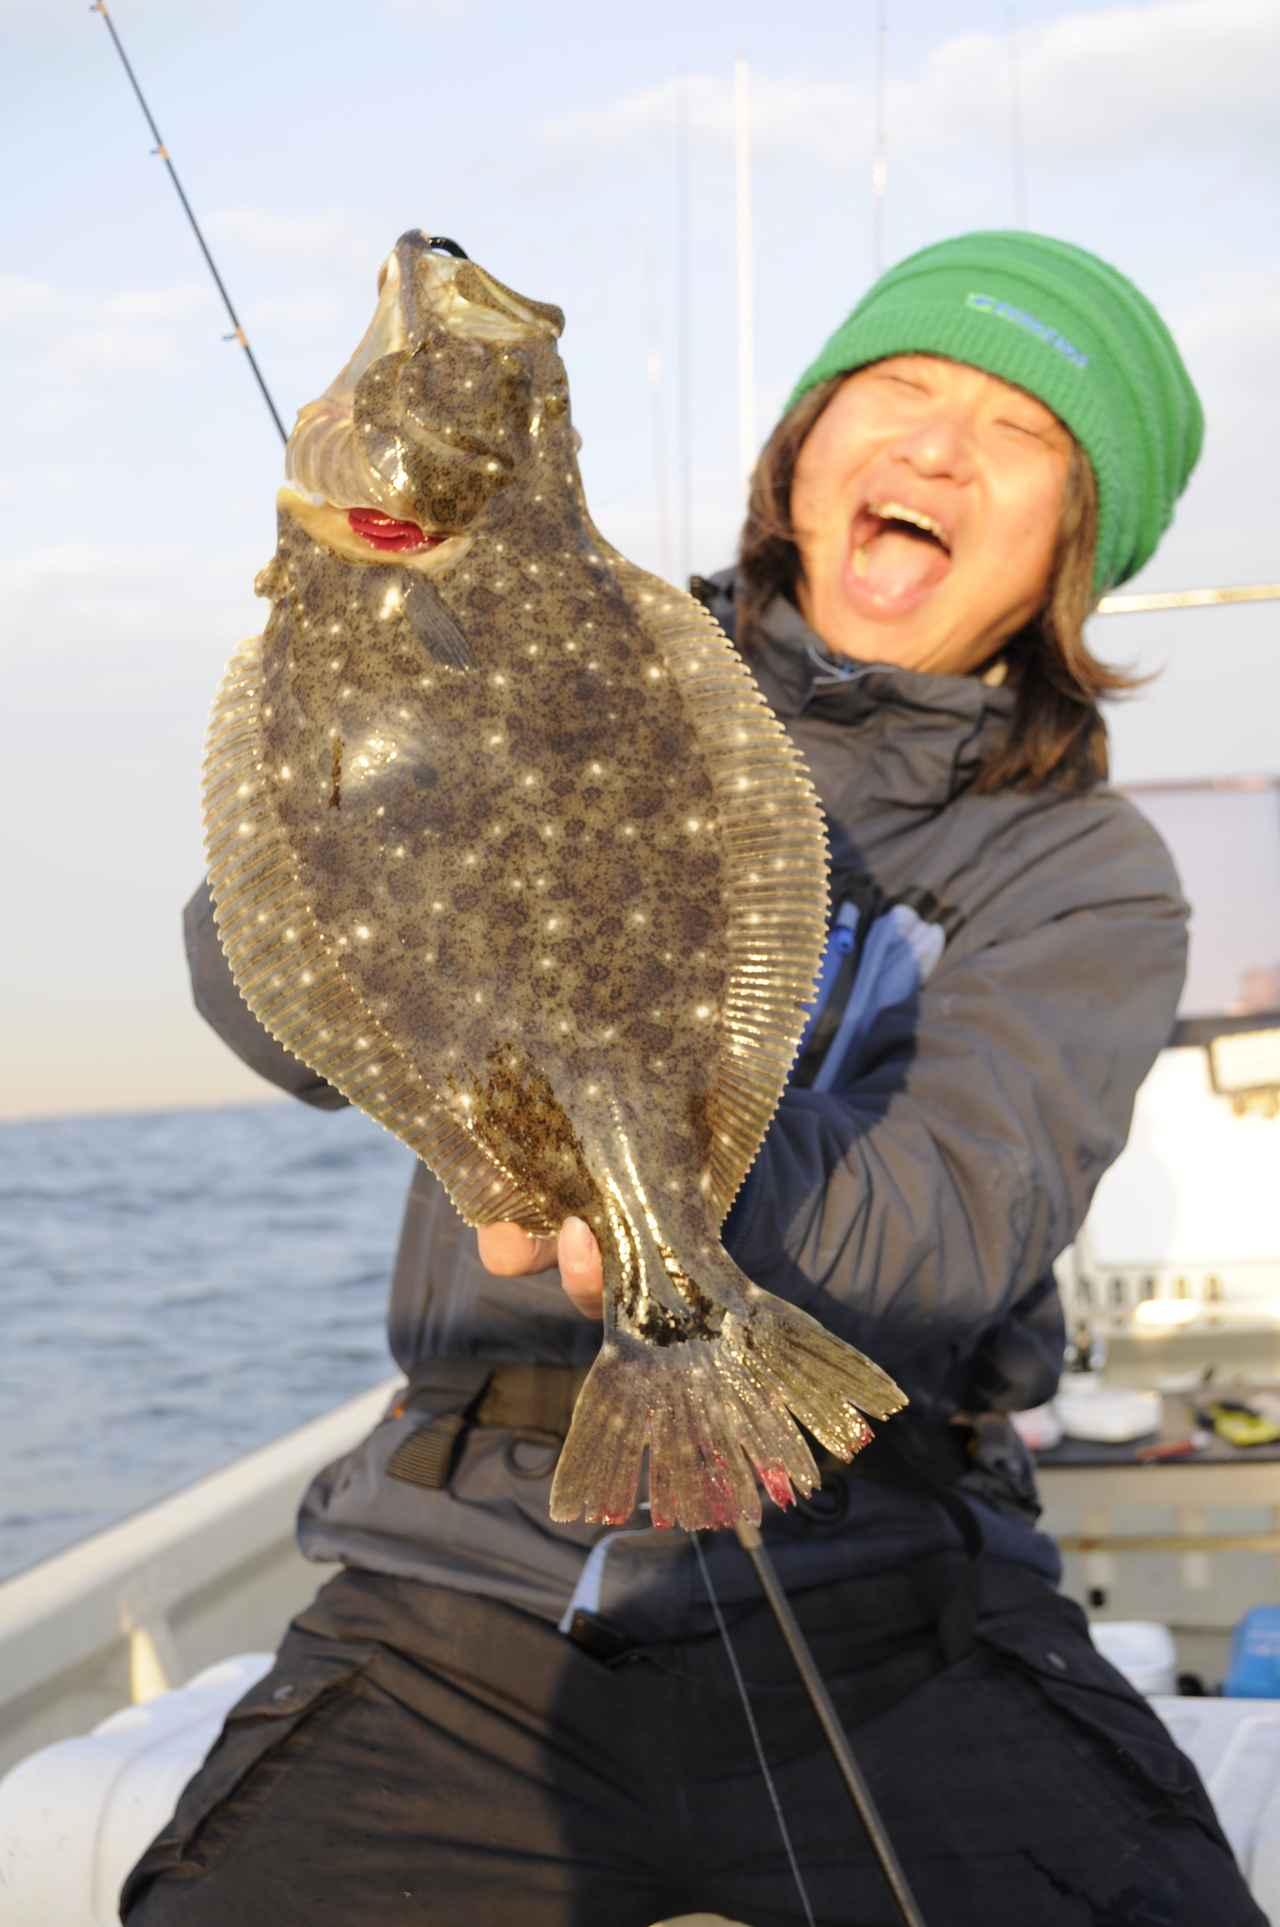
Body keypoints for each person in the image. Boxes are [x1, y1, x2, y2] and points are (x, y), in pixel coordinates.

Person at [122, 230, 1265, 1926]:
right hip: (458, 1595)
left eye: (1022, 435)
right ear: (801, 451)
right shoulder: (584, 644)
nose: (939, 447)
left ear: (1076, 550)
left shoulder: (1083, 870)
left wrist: (649, 1181)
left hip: (892, 1588)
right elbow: (250, 995)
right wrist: (358, 697)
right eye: (900, 388)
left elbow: (958, 1220)